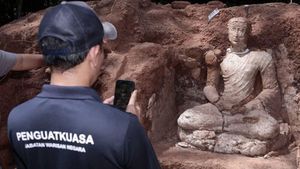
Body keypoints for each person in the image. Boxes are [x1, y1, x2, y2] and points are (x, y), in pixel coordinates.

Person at [7, 1, 161, 169]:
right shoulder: (123, 129)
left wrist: (99, 114)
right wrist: (131, 128)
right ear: (94, 53)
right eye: (103, 48)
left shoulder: (18, 119)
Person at [177, 17, 286, 156]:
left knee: (270, 128)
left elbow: (270, 89)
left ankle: (210, 139)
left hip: (246, 111)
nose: (237, 34)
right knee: (186, 118)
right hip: (220, 109)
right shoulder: (220, 58)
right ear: (228, 32)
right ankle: (243, 144)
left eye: (241, 30)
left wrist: (249, 106)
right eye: (233, 29)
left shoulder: (261, 58)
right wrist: (218, 101)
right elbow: (209, 86)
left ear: (247, 34)